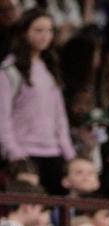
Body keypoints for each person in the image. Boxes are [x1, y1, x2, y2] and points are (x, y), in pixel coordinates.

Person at [0, 7, 76, 195]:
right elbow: (3, 117)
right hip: (24, 153)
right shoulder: (10, 70)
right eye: (39, 30)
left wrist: (69, 153)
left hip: (54, 153)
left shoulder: (50, 68)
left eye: (49, 30)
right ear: (25, 32)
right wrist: (14, 153)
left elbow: (60, 117)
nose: (45, 36)